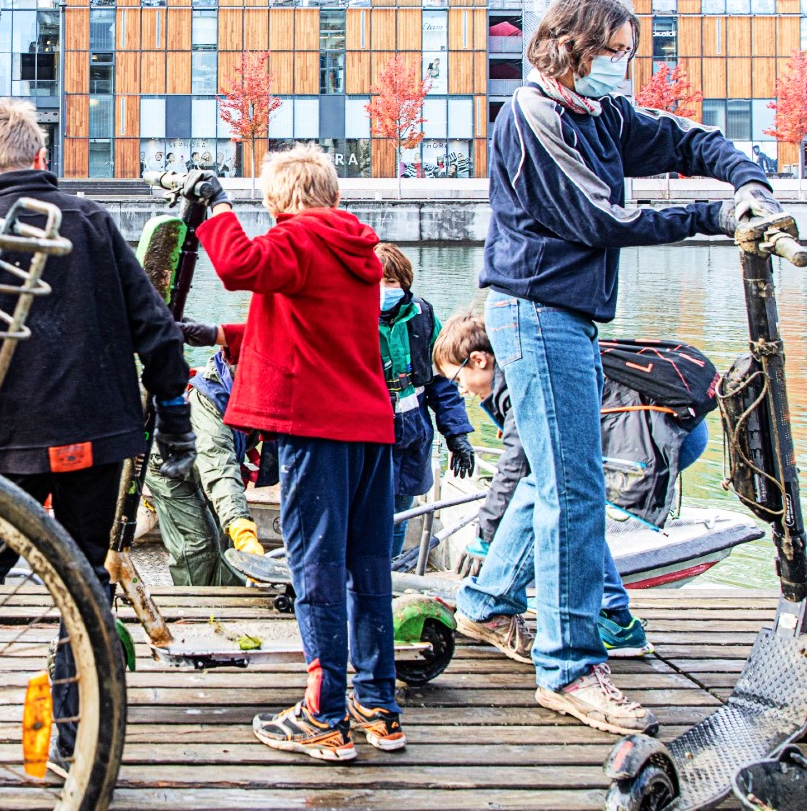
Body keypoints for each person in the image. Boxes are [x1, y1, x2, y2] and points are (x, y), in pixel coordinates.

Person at [481, 0, 776, 734]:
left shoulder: (602, 115)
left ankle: (487, 605)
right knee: (575, 492)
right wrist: (711, 217)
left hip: (566, 314)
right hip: (536, 312)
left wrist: (747, 183)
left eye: (629, 52)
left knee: (552, 479)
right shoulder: (535, 117)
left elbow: (687, 141)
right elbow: (600, 220)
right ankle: (571, 668)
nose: (624, 65)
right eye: (613, 51)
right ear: (570, 48)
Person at [0, 98, 193, 781]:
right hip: (102, 436)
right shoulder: (92, 220)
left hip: (11, 445)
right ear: (42, 158)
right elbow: (157, 328)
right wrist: (173, 418)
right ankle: (73, 743)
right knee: (84, 583)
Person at [196, 144, 401, 762]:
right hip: (369, 429)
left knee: (314, 569)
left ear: (279, 199)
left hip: (317, 430)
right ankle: (378, 706)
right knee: (368, 570)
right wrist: (218, 335)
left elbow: (235, 264)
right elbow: (311, 328)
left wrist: (215, 203)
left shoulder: (300, 237)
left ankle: (323, 714)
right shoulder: (356, 248)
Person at [432, 312, 717, 662]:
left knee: (558, 496)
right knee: (569, 502)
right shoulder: (514, 364)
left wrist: (487, 532)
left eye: (457, 378)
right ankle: (607, 616)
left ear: (479, 359)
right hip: (670, 427)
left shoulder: (521, 379)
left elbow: (517, 463)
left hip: (661, 435)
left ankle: (605, 616)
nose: (459, 389)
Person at [373, 243, 476, 567]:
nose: (384, 290)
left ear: (405, 283)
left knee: (400, 513)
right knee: (368, 511)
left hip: (412, 434)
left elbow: (442, 381)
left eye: (391, 283)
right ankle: (361, 579)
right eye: (376, 282)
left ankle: (386, 577)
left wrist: (457, 434)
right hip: (368, 434)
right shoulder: (348, 316)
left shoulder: (424, 316)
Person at [146, 328, 262, 587]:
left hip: (207, 463)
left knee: (227, 541)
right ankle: (189, 612)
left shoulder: (260, 391)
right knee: (199, 545)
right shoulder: (210, 403)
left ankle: (229, 604)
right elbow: (220, 471)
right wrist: (244, 531)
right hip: (169, 469)